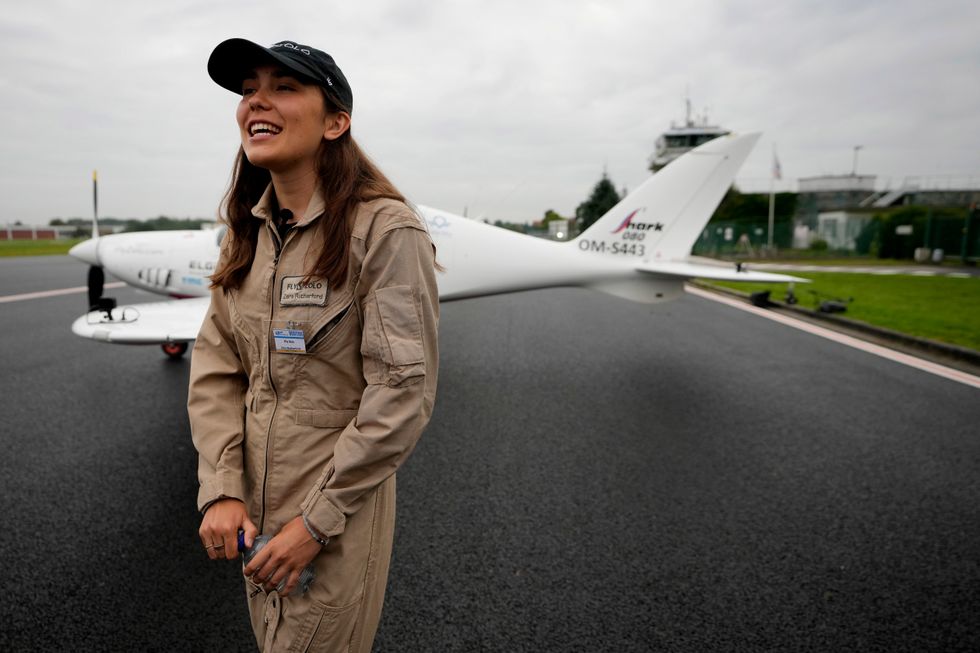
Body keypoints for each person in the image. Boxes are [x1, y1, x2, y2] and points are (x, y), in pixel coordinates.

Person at [188, 38, 439, 652]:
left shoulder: (384, 230)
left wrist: (314, 524)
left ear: (336, 121)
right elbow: (217, 366)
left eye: (284, 86)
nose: (256, 102)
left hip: (333, 525)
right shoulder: (247, 234)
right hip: (258, 521)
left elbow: (401, 394)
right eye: (249, 90)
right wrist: (221, 486)